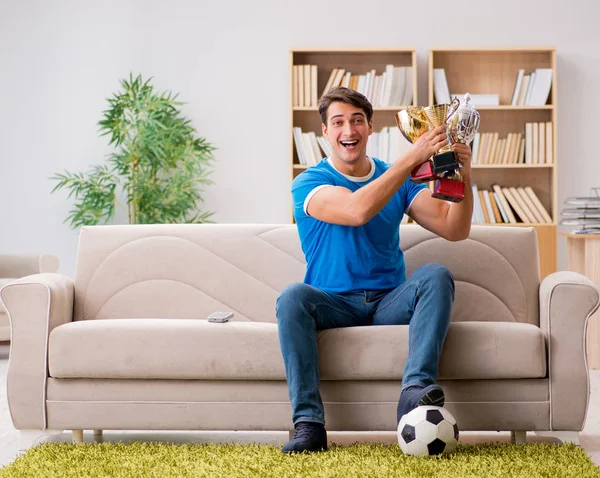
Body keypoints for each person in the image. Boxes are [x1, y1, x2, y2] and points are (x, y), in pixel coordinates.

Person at [276, 86, 473, 454]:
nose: (348, 131)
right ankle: (308, 424)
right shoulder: (309, 183)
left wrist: (463, 172)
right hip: (332, 303)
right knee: (291, 298)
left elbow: (454, 228)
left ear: (370, 128)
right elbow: (356, 211)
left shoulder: (395, 178)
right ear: (325, 132)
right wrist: (411, 158)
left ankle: (414, 393)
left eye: (356, 121)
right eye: (338, 122)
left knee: (435, 275)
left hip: (388, 302)